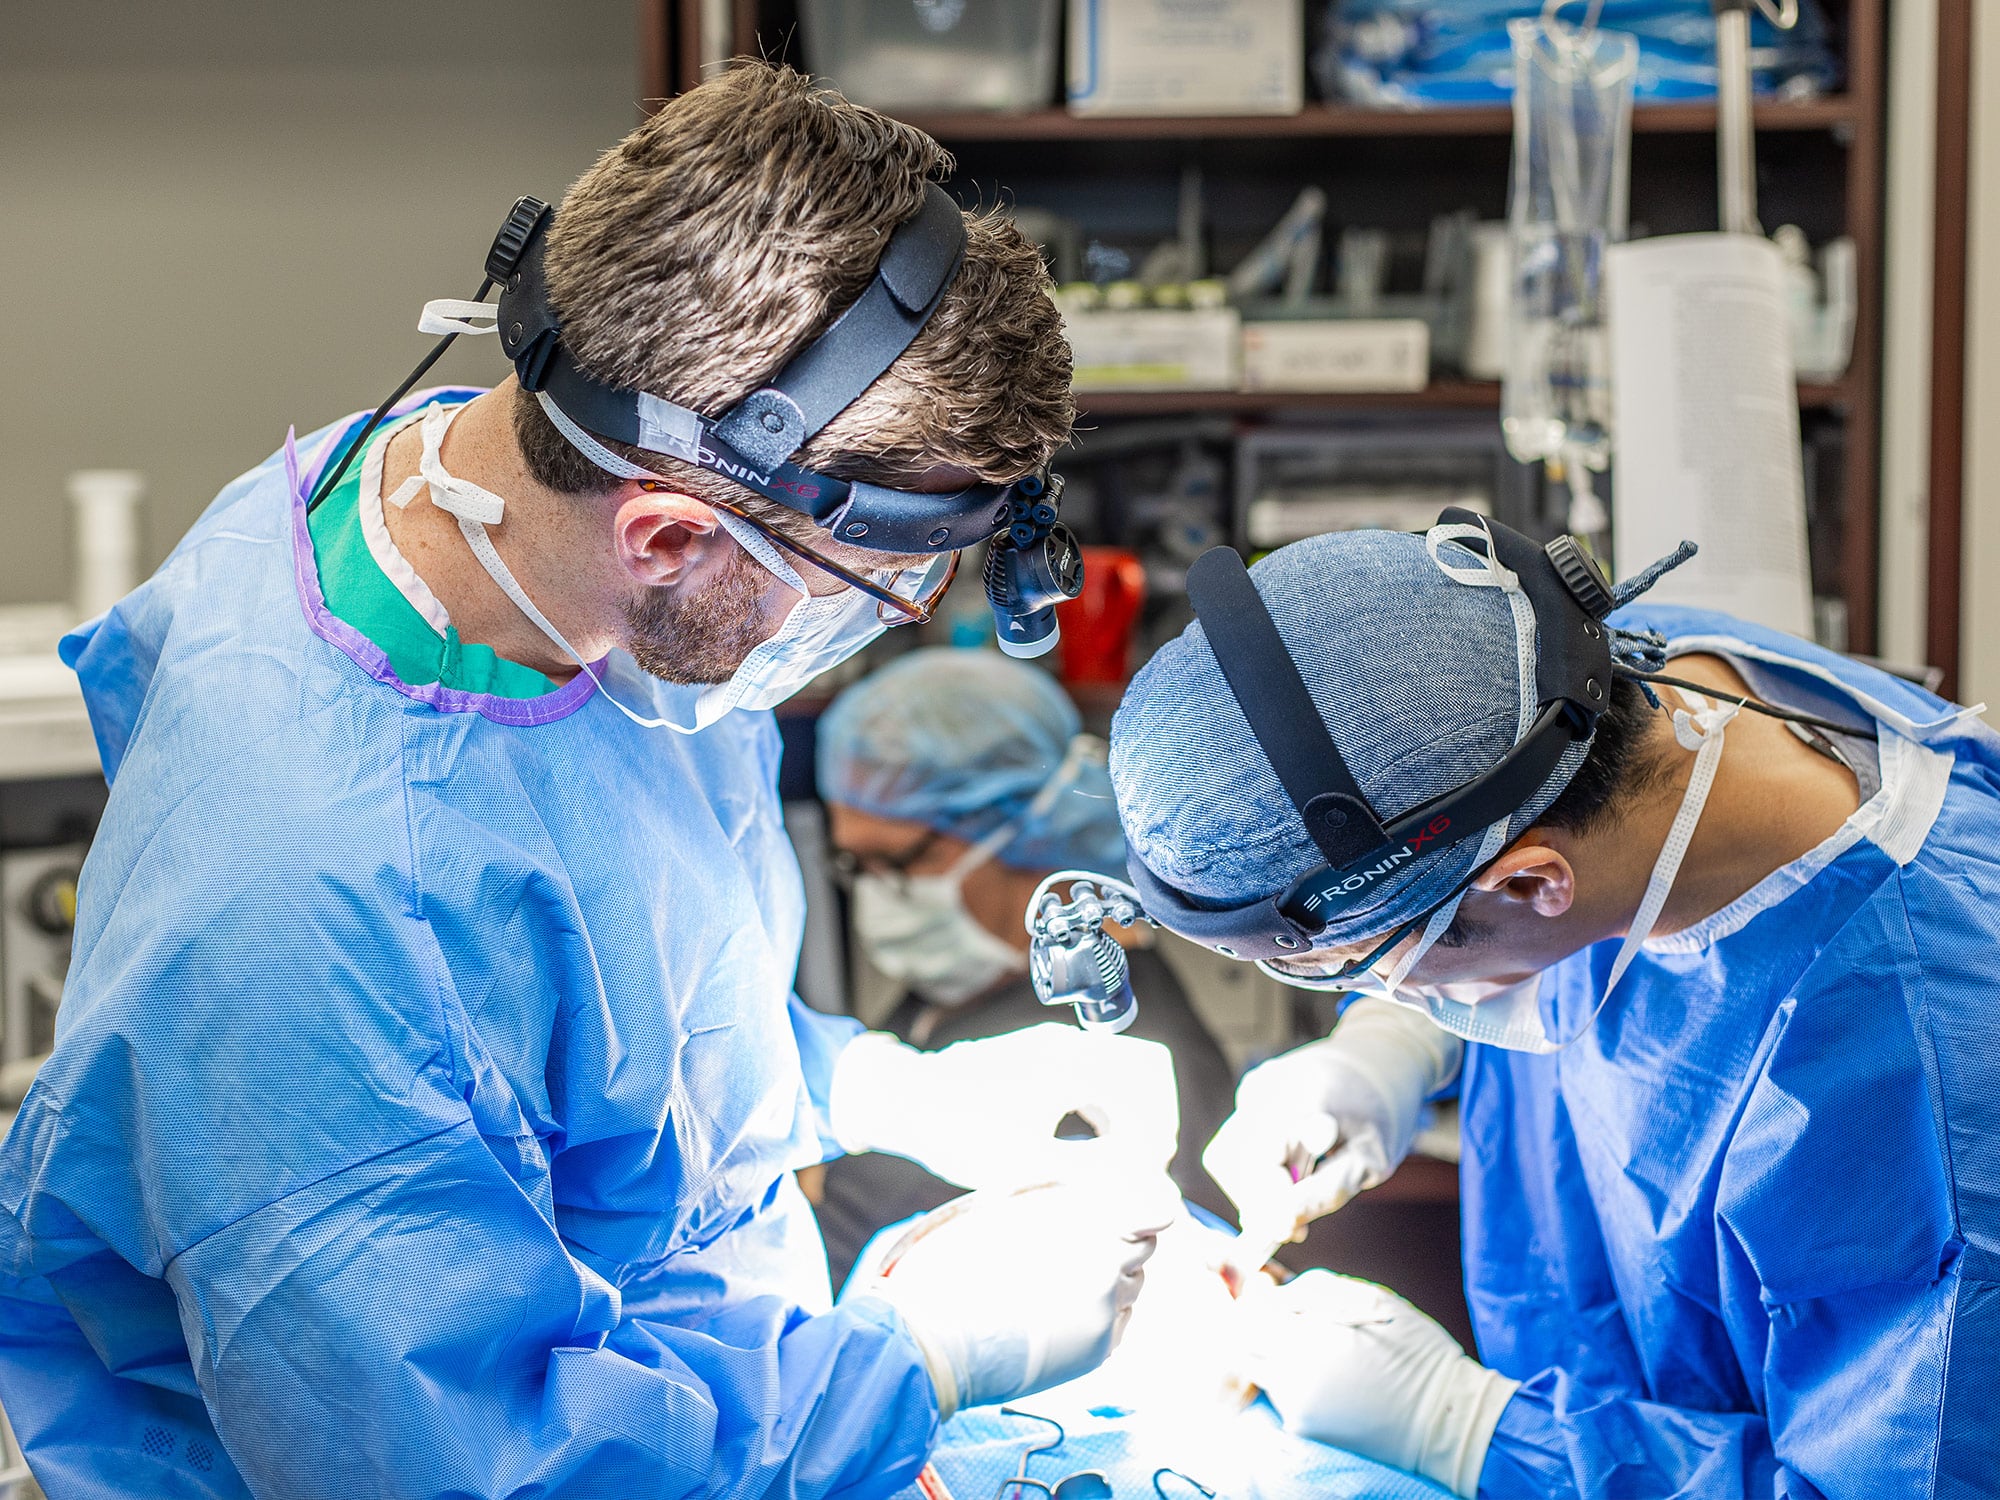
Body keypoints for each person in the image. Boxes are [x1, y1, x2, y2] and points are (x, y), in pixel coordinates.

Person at [0, 66, 1182, 1500]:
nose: (880, 625)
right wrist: (916, 1361)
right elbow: (481, 1466)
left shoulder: (495, 520)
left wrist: (884, 1090)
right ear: (668, 536)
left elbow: (613, 1024)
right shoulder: (315, 919)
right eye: (871, 590)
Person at [1105, 516, 2000, 1498]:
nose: (1376, 990)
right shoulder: (1576, 684)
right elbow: (1492, 893)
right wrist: (1387, 1047)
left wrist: (1472, 1431)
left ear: (1532, 883)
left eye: (1362, 965)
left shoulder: (1920, 1093)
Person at [809, 646, 1238, 1284]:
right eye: (856, 866)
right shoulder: (959, 985)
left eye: (897, 863)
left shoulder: (1106, 1052)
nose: (876, 894)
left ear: (1028, 830)